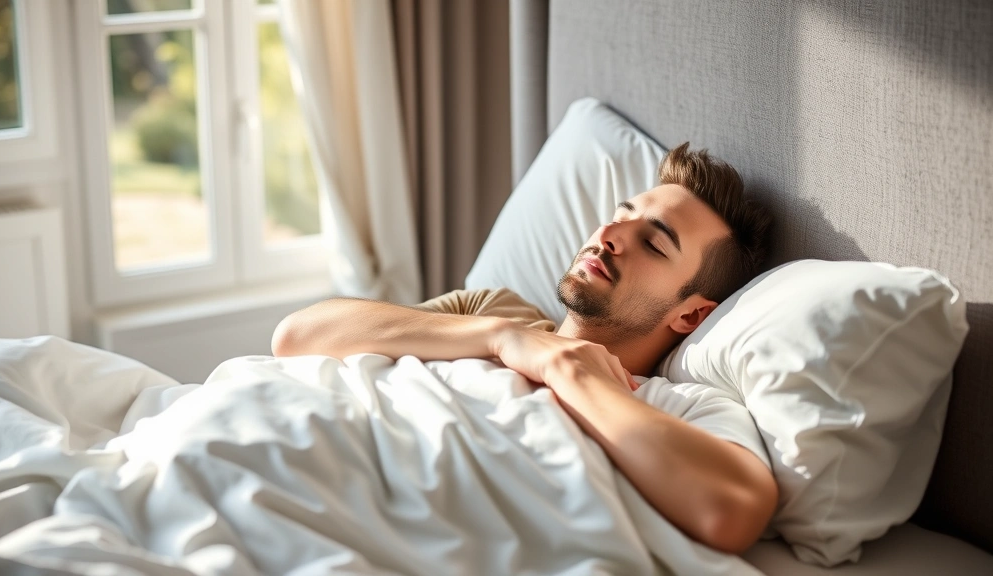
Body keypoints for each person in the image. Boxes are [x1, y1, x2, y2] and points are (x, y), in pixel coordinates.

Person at [271, 143, 777, 555]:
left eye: (654, 243)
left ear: (690, 314)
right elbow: (297, 337)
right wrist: (504, 338)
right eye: (621, 214)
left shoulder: (688, 408)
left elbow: (730, 511)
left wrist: (572, 373)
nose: (609, 235)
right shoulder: (490, 310)